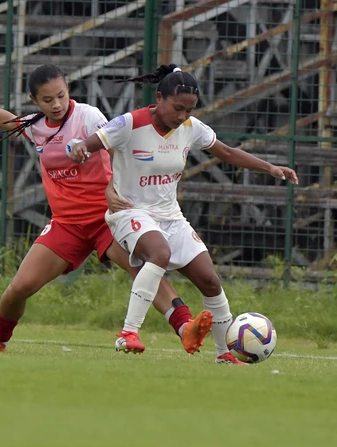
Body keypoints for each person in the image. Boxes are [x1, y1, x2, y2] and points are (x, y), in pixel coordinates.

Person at [0, 63, 213, 355]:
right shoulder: (37, 126)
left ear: (68, 89)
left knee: (145, 270)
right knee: (19, 287)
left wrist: (111, 188)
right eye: (47, 100)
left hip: (107, 218)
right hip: (67, 224)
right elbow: (10, 122)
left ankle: (185, 328)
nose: (56, 104)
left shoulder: (88, 116)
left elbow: (119, 148)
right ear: (34, 100)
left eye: (61, 95)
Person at [67, 64, 299, 365]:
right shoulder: (130, 123)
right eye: (178, 108)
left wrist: (270, 168)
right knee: (159, 253)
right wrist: (78, 150)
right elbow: (87, 145)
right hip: (129, 212)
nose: (182, 116)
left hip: (171, 217)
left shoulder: (191, 128)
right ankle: (128, 332)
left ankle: (223, 353)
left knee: (210, 280)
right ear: (159, 98)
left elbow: (227, 152)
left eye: (189, 110)